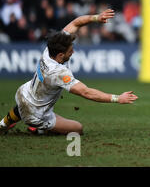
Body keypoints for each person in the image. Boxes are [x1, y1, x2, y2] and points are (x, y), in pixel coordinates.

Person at [0, 9, 138, 135]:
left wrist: (96, 18)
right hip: (36, 113)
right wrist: (117, 98)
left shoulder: (51, 48)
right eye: (70, 51)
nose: (73, 52)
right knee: (77, 129)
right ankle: (38, 128)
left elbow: (76, 23)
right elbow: (86, 92)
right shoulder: (58, 73)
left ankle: (3, 124)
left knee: (26, 104)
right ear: (60, 55)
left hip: (23, 93)